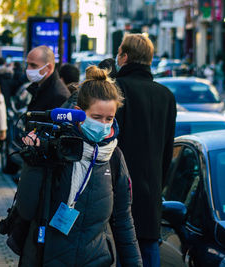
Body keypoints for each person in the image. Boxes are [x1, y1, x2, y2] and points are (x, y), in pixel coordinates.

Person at [16, 65, 142, 267]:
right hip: (48, 258)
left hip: (96, 260)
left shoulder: (114, 157)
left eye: (109, 119)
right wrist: (33, 161)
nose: (103, 124)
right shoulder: (56, 147)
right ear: (77, 113)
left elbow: (124, 220)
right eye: (96, 117)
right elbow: (27, 208)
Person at [115, 33, 177, 267]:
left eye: (119, 52)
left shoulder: (117, 90)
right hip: (150, 195)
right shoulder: (166, 96)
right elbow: (167, 151)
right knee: (148, 252)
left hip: (119, 191)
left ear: (126, 57)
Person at [25, 45, 70, 111]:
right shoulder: (39, 88)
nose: (28, 69)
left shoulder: (59, 96)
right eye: (27, 64)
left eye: (33, 65)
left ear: (49, 68)